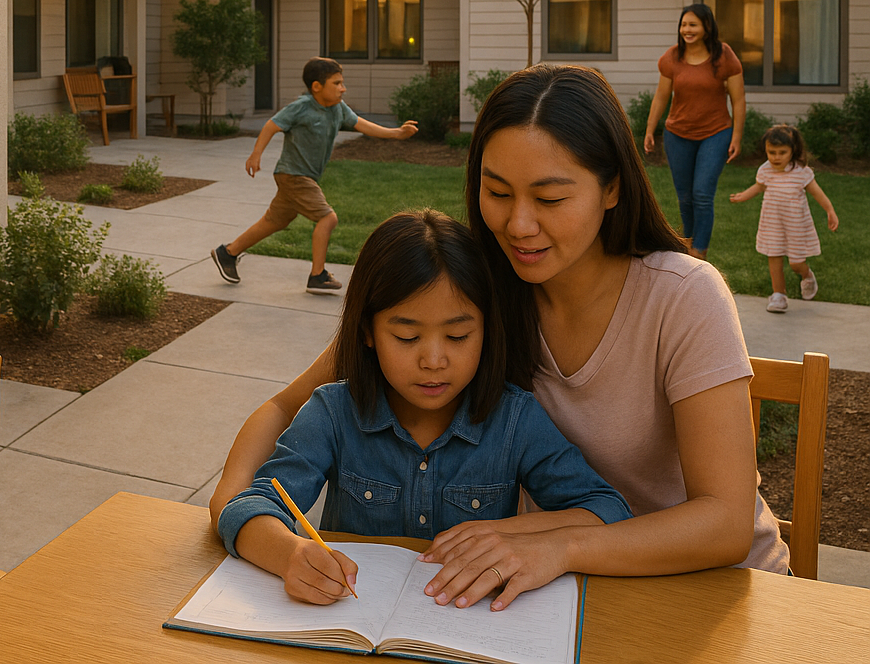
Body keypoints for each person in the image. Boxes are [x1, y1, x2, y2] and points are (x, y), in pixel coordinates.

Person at [210, 64, 788, 611]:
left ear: (611, 189)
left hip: (711, 592)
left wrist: (558, 546)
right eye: (499, 192)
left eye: (551, 198)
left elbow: (725, 522)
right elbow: (285, 407)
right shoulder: (477, 294)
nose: (519, 225)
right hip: (550, 590)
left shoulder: (684, 296)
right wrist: (235, 512)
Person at [219, 211, 631, 608]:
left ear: (487, 329)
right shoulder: (333, 413)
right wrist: (290, 554)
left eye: (457, 336)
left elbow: (607, 510)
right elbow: (249, 507)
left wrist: (506, 534)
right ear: (367, 331)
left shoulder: (514, 420)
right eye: (406, 336)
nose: (434, 360)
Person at [210, 57, 417, 295]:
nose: (343, 88)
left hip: (302, 176)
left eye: (342, 83)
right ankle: (317, 276)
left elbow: (362, 124)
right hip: (294, 175)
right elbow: (271, 125)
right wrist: (255, 155)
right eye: (337, 83)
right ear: (317, 86)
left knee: (275, 221)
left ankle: (228, 253)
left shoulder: (338, 108)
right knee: (327, 218)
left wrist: (396, 133)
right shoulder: (302, 106)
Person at [644, 3, 745, 260]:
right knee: (685, 197)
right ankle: (687, 244)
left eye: (693, 24)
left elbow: (739, 100)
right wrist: (650, 129)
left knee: (702, 193)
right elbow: (661, 96)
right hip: (678, 135)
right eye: (684, 24)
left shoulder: (724, 57)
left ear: (707, 27)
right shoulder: (673, 58)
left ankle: (699, 251)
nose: (687, 30)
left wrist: (736, 136)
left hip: (716, 132)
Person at [729, 124, 839, 314]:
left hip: (796, 225)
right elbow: (759, 187)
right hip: (772, 224)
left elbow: (817, 193)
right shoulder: (765, 170)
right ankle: (779, 295)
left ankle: (806, 275)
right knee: (774, 257)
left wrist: (830, 210)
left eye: (782, 152)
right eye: (772, 152)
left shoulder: (801, 172)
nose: (776, 157)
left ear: (792, 151)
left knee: (796, 262)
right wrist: (743, 195)